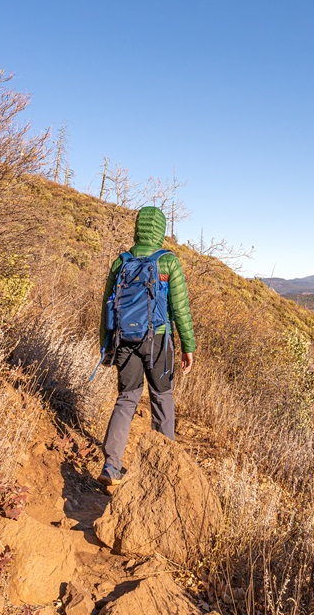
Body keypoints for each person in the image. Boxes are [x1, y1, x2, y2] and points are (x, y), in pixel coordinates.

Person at [97, 205, 195, 487]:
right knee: (162, 398)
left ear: (138, 227)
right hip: (158, 340)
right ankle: (162, 473)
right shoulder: (168, 262)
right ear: (161, 230)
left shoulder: (122, 261)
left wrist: (106, 345)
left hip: (125, 339)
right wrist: (188, 346)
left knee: (126, 399)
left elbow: (107, 306)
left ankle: (111, 465)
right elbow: (180, 308)